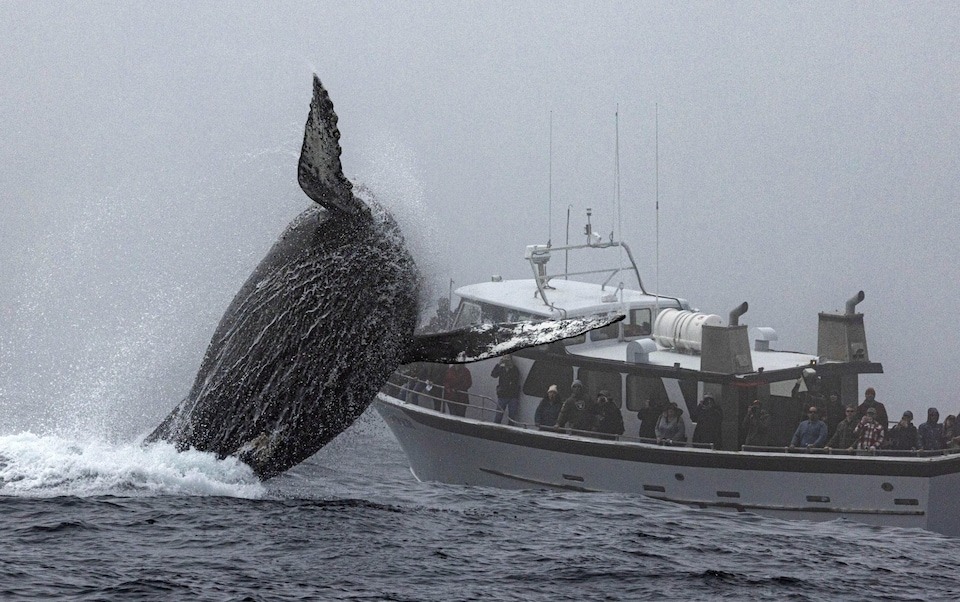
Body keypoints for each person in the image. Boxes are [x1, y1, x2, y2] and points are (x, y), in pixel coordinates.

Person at [490, 355, 521, 424]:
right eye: (505, 358)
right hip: (502, 394)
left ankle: (510, 429)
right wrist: (499, 364)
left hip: (513, 396)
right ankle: (495, 428)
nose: (506, 360)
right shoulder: (501, 368)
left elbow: (516, 378)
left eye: (508, 358)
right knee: (498, 415)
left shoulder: (515, 369)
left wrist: (511, 367)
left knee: (512, 416)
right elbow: (493, 375)